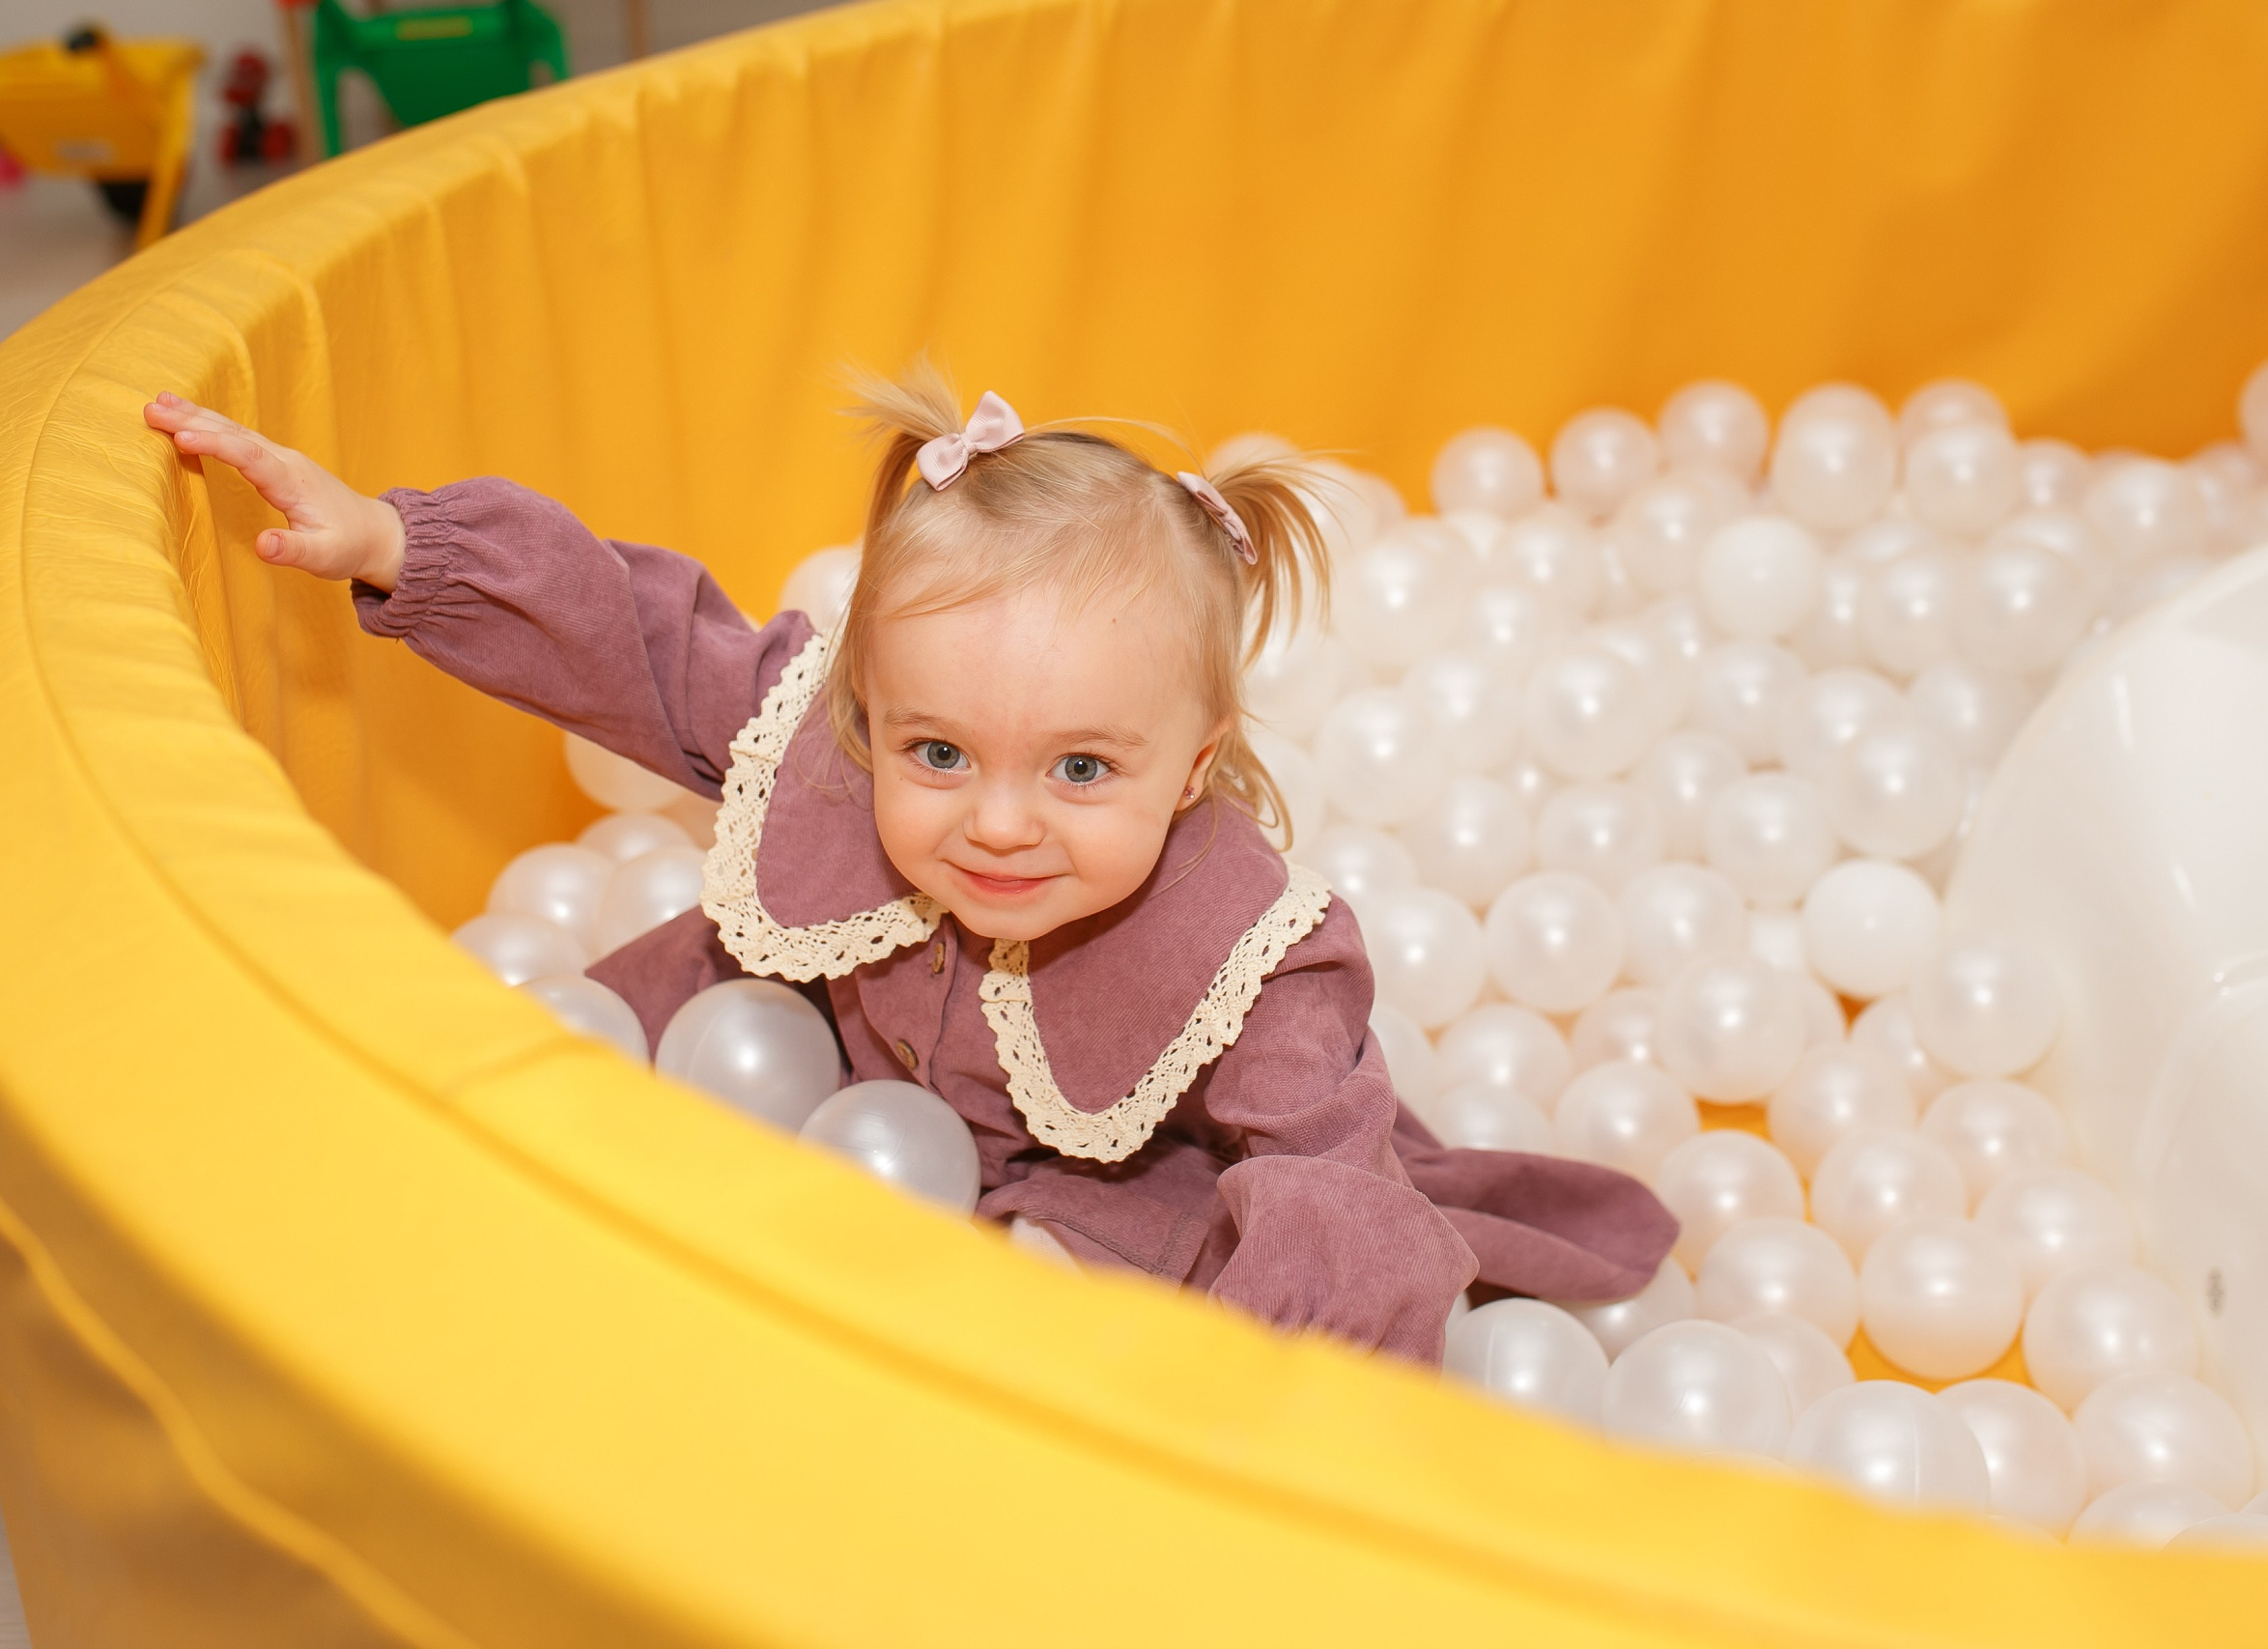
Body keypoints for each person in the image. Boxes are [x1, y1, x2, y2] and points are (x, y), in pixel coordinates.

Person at [143, 372, 1676, 1362]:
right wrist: (399, 547)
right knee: (582, 1117)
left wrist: (1244, 1416)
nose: (997, 825)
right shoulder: (827, 741)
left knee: (1057, 1324)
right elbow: (637, 638)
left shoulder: (1242, 955)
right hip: (796, 1076)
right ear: (874, 716)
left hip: (1082, 1187)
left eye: (1081, 770)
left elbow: (1333, 1190)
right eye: (938, 754)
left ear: (1192, 767)